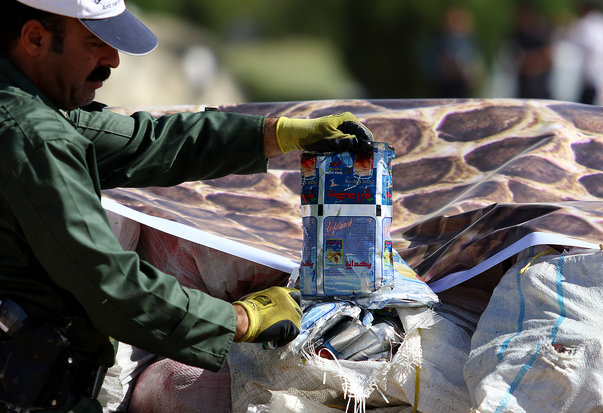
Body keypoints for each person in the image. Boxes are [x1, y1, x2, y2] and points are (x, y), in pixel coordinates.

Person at [0, 0, 373, 412]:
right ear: (35, 38)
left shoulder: (23, 108)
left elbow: (147, 142)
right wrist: (241, 319)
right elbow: (109, 287)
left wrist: (278, 134)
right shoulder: (35, 137)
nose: (112, 61)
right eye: (94, 42)